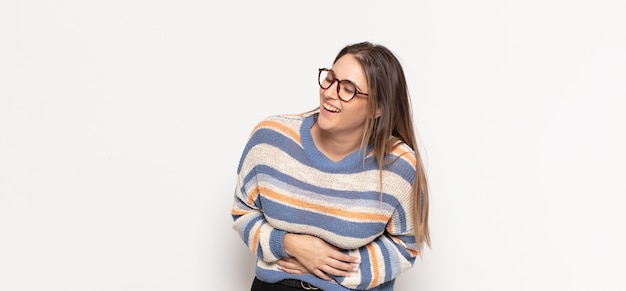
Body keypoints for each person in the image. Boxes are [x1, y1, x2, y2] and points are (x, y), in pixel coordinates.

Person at [231, 41, 430, 291]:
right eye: (330, 79)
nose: (330, 93)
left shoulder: (398, 164)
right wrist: (290, 245)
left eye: (348, 89)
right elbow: (243, 211)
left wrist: (328, 266)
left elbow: (405, 245)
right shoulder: (271, 139)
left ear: (377, 108)